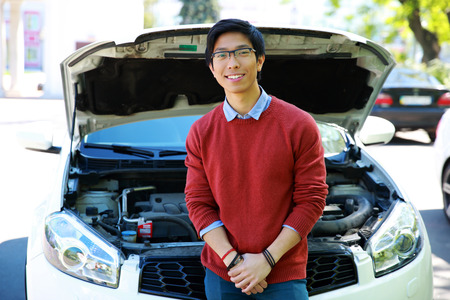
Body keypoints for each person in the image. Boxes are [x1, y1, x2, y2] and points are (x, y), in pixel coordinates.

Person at [184, 18, 328, 299]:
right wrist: (236, 263)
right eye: (222, 55)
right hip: (225, 274)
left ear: (260, 60)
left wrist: (266, 261)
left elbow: (312, 199)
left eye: (242, 52)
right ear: (212, 68)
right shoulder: (201, 132)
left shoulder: (299, 124)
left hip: (283, 273)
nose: (232, 63)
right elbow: (198, 203)